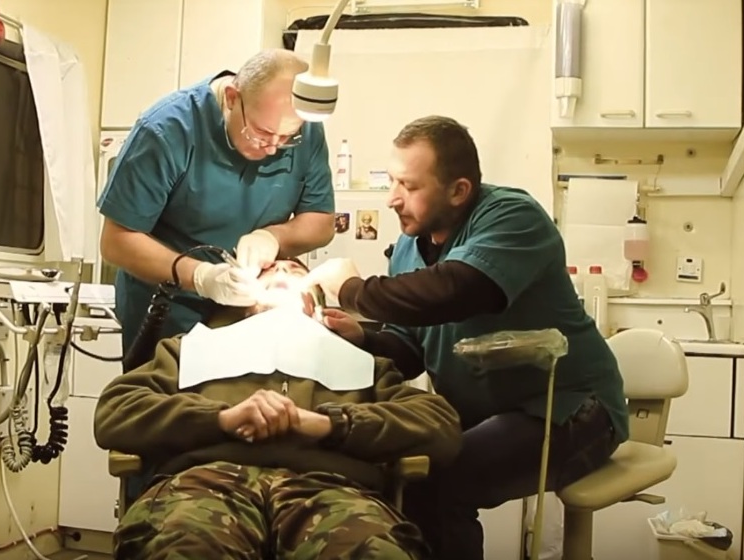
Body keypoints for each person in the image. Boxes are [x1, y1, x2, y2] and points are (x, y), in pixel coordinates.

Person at [302, 115, 628, 559]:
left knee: (441, 482)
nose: (393, 199)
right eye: (393, 182)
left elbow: (460, 290)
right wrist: (359, 336)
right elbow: (409, 351)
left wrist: (352, 289)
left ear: (458, 190)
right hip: (490, 417)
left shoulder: (513, 216)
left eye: (409, 186)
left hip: (573, 408)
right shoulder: (409, 247)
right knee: (402, 473)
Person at [93, 258, 462, 560]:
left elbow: (439, 425)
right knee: (184, 548)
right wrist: (220, 419)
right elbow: (116, 410)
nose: (283, 271)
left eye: (296, 270)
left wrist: (328, 424)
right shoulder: (191, 349)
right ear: (241, 297)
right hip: (206, 482)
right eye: (269, 270)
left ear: (317, 302)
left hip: (330, 488)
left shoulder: (362, 363)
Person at [97, 49, 336, 358]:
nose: (273, 148)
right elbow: (116, 242)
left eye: (287, 138)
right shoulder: (167, 130)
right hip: (169, 308)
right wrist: (201, 277)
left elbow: (321, 221)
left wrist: (273, 237)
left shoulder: (303, 125)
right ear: (233, 98)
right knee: (171, 384)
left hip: (250, 309)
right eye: (262, 133)